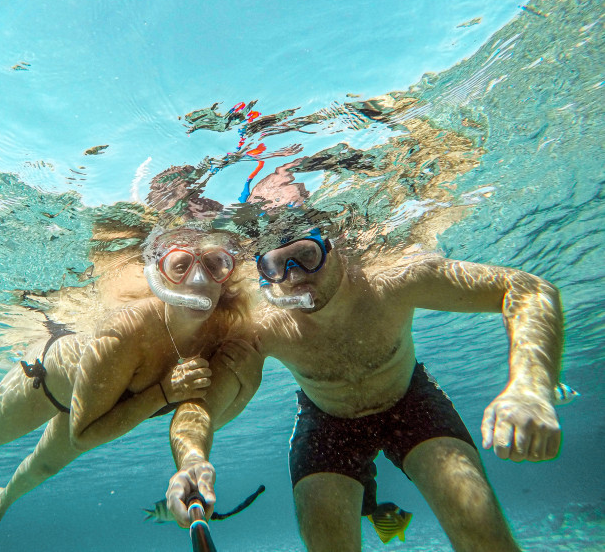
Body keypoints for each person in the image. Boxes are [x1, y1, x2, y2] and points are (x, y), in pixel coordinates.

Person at [165, 225, 564, 552]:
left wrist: (530, 386)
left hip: (411, 401)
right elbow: (201, 403)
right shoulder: (264, 325)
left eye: (307, 255)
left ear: (334, 246)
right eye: (276, 265)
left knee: (485, 537)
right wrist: (191, 457)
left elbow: (528, 290)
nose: (296, 276)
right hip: (327, 423)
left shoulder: (393, 280)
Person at [0, 225, 256, 551]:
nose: (199, 279)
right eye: (181, 265)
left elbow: (208, 407)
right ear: (160, 275)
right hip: (50, 384)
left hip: (105, 409)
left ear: (229, 272)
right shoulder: (126, 330)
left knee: (41, 469)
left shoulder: (224, 328)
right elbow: (81, 434)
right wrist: (162, 394)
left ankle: (0, 505)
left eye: (214, 264)